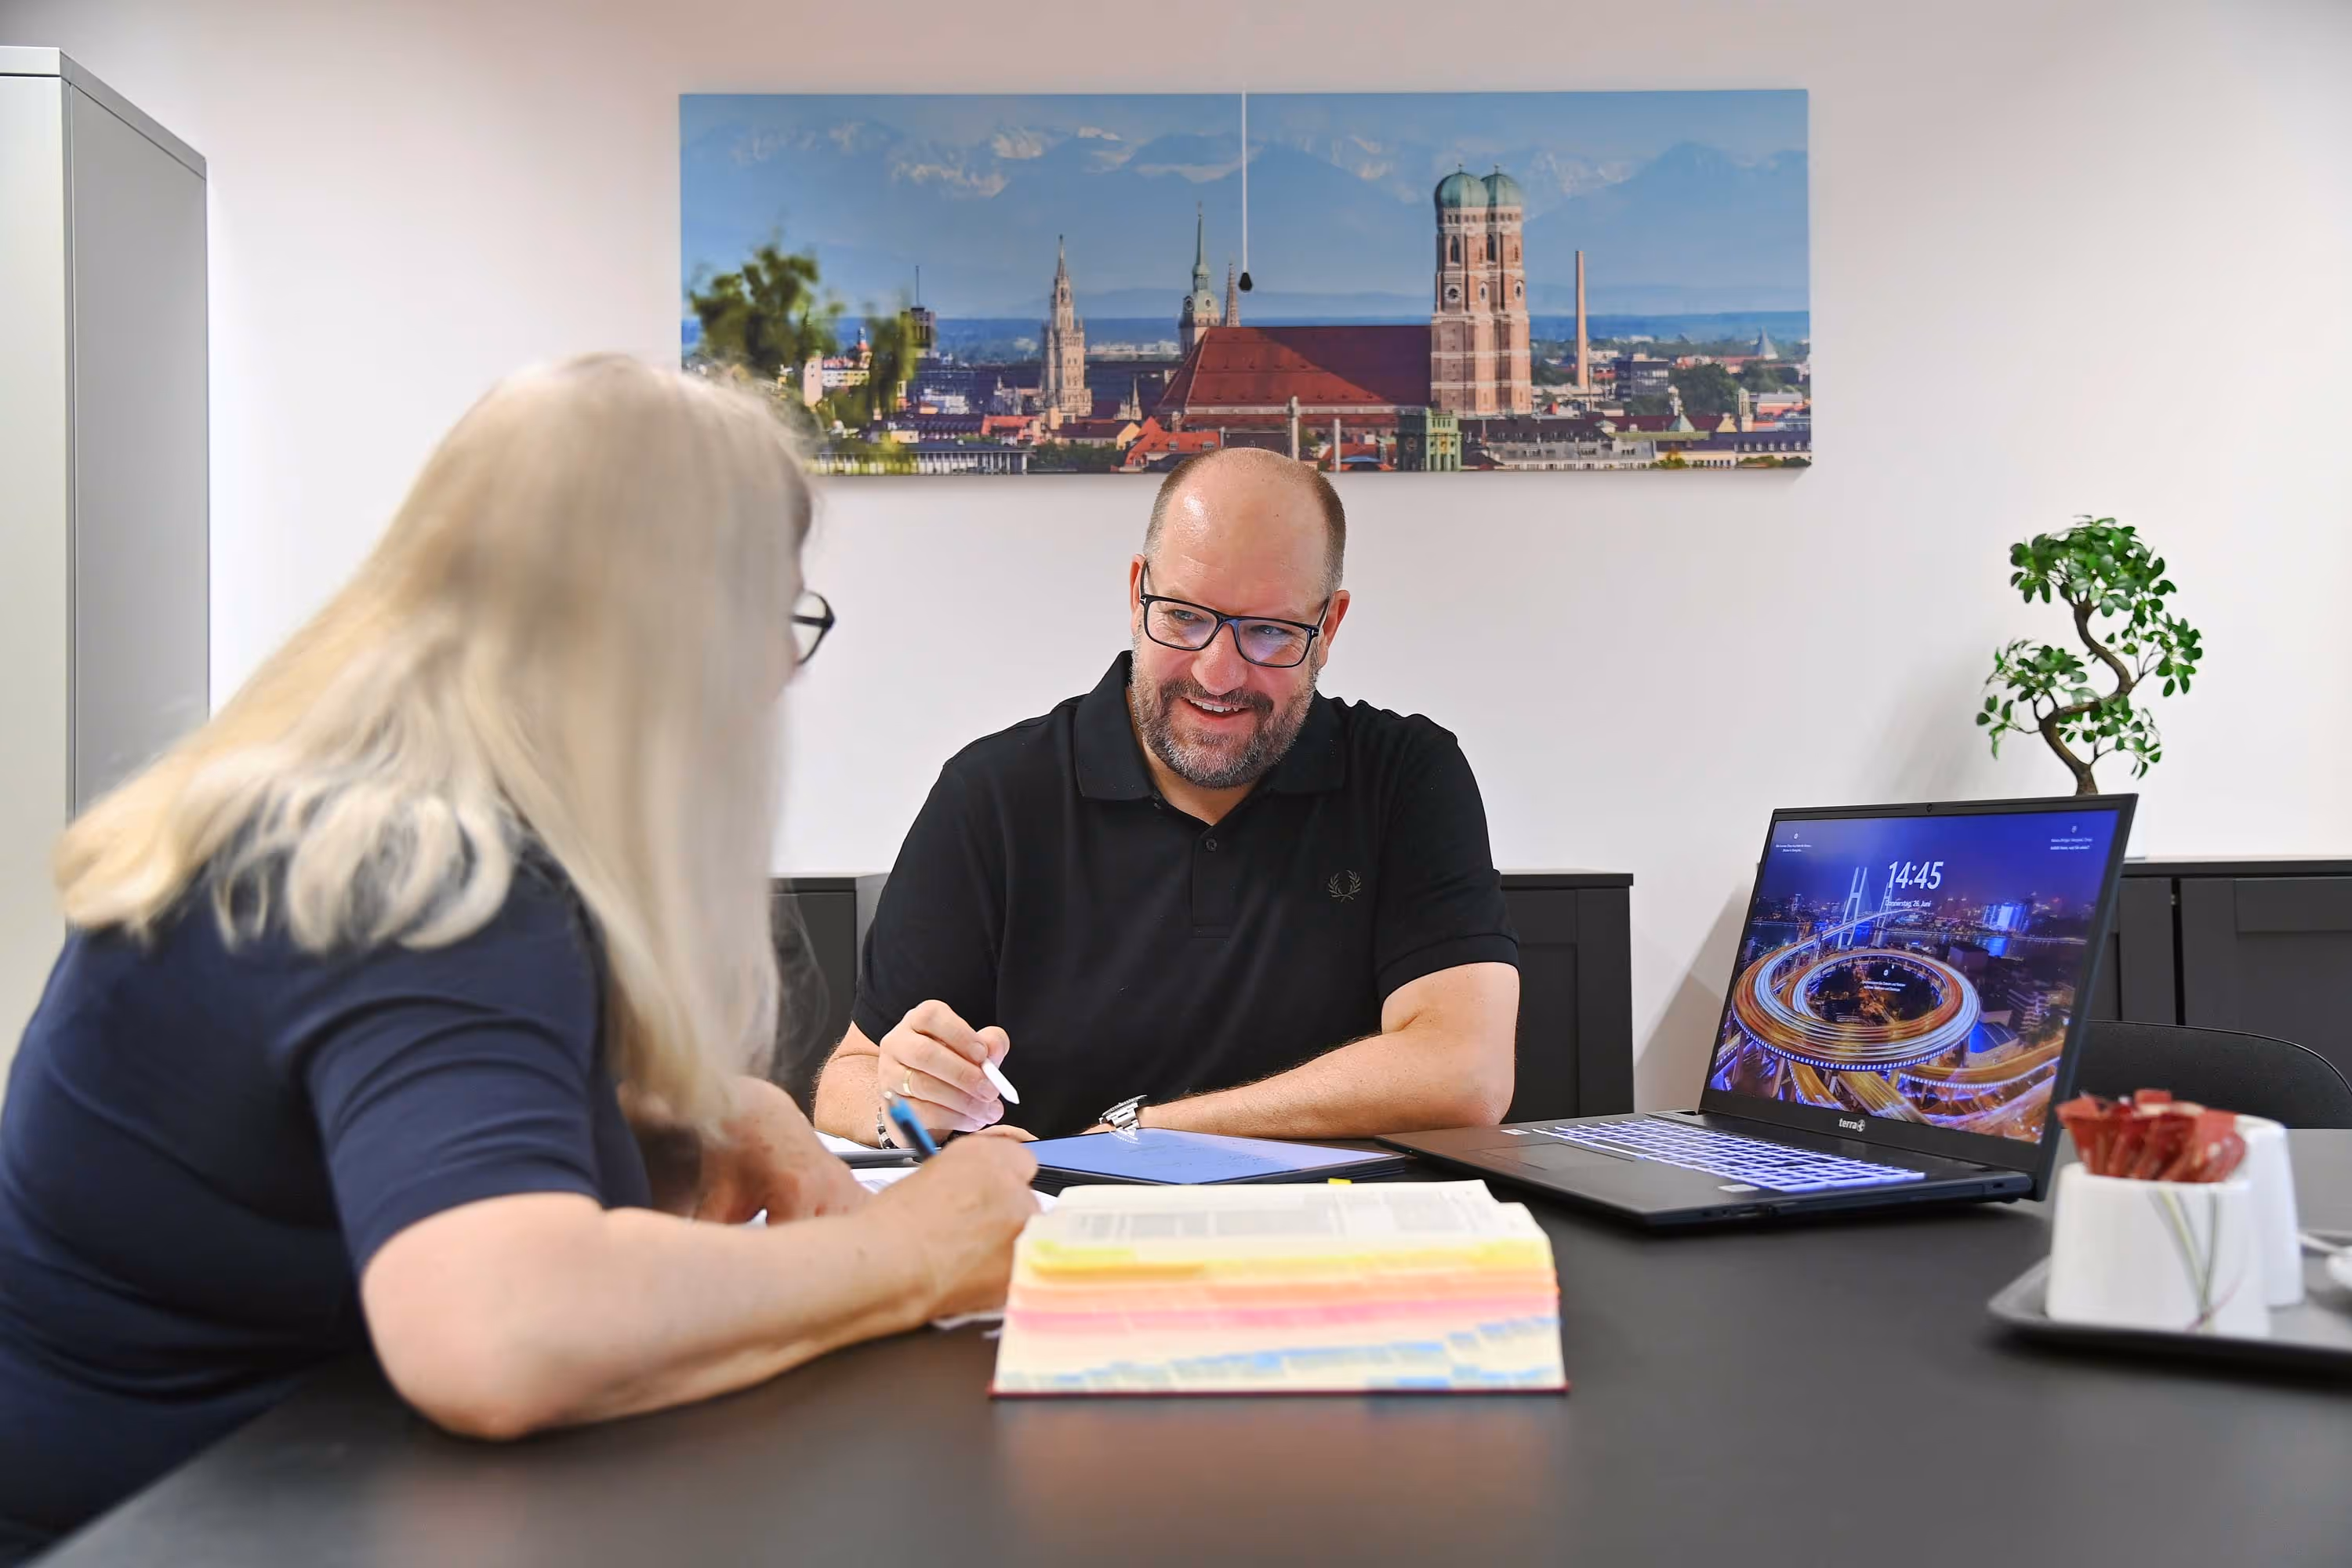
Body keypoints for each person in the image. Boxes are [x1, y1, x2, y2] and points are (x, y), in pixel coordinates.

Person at [0, 355, 1038, 1561]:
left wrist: (689, 1109)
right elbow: (497, 1329)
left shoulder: (337, 821)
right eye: (777, 620)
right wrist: (906, 1251)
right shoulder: (423, 870)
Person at [815, 447, 1519, 1146]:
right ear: (1136, 593)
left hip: (1342, 1240)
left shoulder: (1407, 775)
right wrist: (906, 1116)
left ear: (1327, 628)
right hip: (1066, 1240)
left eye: (1270, 632)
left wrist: (1139, 1135)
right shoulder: (992, 792)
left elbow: (1465, 1071)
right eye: (1184, 617)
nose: (1217, 675)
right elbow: (851, 1079)